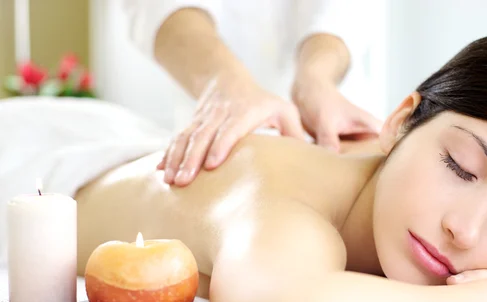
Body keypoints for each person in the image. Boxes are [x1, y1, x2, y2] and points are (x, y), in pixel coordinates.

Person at [1, 31, 487, 302]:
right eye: (462, 167)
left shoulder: (393, 172)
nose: (465, 229)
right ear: (399, 121)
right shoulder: (282, 203)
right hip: (29, 162)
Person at [122, 0, 384, 187]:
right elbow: (159, 7)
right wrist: (223, 82)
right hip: (215, 126)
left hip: (335, 113)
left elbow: (343, 10)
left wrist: (316, 78)